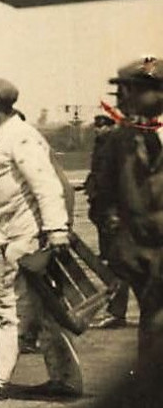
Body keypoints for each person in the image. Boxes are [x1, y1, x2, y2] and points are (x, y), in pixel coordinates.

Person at [0, 77, 81, 400]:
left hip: (30, 235)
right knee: (44, 311)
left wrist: (57, 229)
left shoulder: (22, 137)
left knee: (11, 305)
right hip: (11, 231)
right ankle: (66, 379)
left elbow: (45, 184)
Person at [101, 56, 163, 355]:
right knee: (152, 324)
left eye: (136, 89)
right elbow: (103, 196)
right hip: (141, 255)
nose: (127, 97)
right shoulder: (119, 140)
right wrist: (118, 233)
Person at [84, 114, 129, 329]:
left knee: (121, 264)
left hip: (117, 216)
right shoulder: (102, 147)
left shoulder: (119, 148)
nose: (98, 130)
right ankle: (117, 312)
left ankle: (117, 313)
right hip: (105, 214)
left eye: (103, 126)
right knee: (115, 263)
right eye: (97, 126)